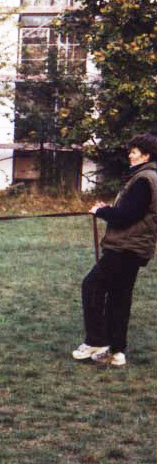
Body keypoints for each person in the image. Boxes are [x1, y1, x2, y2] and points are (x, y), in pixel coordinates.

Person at [72, 133, 157, 366]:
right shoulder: (149, 177)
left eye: (134, 151)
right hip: (136, 248)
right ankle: (116, 351)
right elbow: (135, 212)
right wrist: (108, 208)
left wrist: (101, 212)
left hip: (125, 247)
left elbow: (126, 217)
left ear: (146, 155)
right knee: (120, 296)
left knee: (92, 285)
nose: (130, 154)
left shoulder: (143, 179)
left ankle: (96, 340)